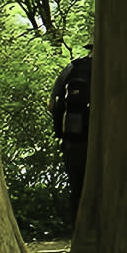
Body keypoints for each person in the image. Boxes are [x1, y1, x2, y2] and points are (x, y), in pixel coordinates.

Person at [50, 44, 93, 224]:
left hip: (72, 138)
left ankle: (77, 227)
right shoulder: (117, 67)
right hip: (103, 143)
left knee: (76, 186)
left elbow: (53, 104)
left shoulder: (73, 67)